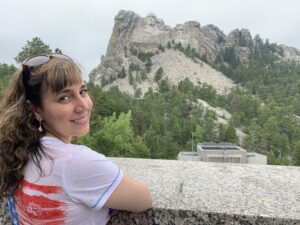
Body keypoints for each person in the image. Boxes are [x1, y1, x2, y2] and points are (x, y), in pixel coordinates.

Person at [0, 54, 152, 225]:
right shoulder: (76, 161)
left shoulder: (20, 149)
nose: (83, 105)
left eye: (82, 91)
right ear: (35, 109)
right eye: (64, 97)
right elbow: (143, 199)